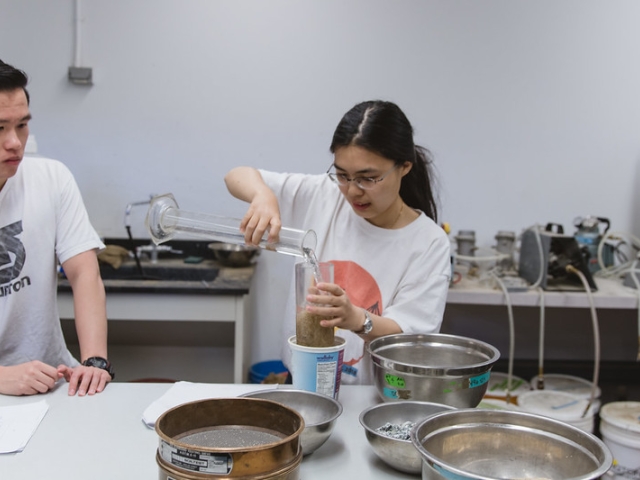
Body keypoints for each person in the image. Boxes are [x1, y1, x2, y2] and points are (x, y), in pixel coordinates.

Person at [225, 100, 451, 384]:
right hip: (301, 380)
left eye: (369, 178)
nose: (353, 191)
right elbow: (236, 175)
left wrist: (357, 319)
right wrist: (262, 195)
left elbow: (411, 338)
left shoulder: (428, 243)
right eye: (343, 175)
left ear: (404, 167)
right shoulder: (324, 194)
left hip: (369, 395)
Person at [0, 59, 113, 396]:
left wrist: (95, 362)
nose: (15, 142)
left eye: (22, 125)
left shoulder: (51, 179)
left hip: (53, 382)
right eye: (0, 128)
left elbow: (84, 273)